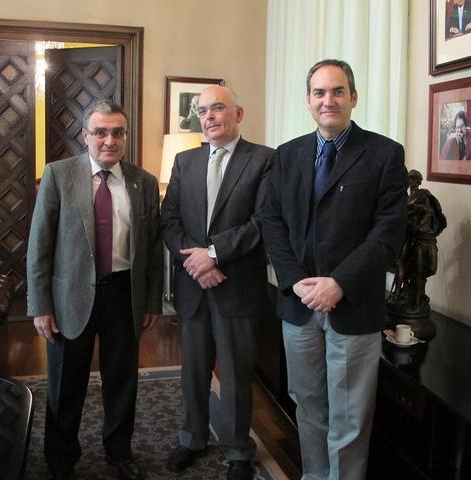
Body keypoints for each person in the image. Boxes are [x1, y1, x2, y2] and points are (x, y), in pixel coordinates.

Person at [261, 59, 408, 480]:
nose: (329, 100)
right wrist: (295, 281)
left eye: (338, 91)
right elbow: (271, 222)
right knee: (307, 405)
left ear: (353, 98)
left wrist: (339, 282)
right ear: (308, 101)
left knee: (349, 415)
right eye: (320, 92)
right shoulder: (287, 155)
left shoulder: (384, 154)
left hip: (353, 305)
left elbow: (387, 233)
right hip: (300, 304)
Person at [27, 99, 163, 480]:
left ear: (126, 136)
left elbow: (152, 249)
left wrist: (152, 301)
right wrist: (40, 305)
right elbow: (40, 245)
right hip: (69, 296)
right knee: (65, 384)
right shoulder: (58, 175)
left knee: (122, 381)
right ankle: (60, 459)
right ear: (85, 135)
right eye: (100, 132)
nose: (109, 140)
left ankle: (119, 452)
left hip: (124, 295)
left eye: (117, 132)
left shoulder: (143, 182)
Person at [160, 85, 273, 480]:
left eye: (218, 108)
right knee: (193, 370)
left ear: (238, 114)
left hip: (237, 286)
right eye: (203, 110)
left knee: (238, 374)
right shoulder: (185, 161)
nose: (208, 117)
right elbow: (169, 219)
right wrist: (197, 263)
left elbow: (263, 222)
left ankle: (239, 451)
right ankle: (192, 438)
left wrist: (213, 254)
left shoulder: (264, 160)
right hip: (194, 286)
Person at [388, 170, 447, 316]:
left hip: (428, 238)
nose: (411, 181)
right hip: (414, 238)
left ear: (418, 181)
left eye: (413, 178)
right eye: (409, 178)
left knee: (431, 269)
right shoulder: (406, 198)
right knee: (412, 267)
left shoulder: (422, 194)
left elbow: (427, 210)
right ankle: (411, 294)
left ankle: (413, 289)